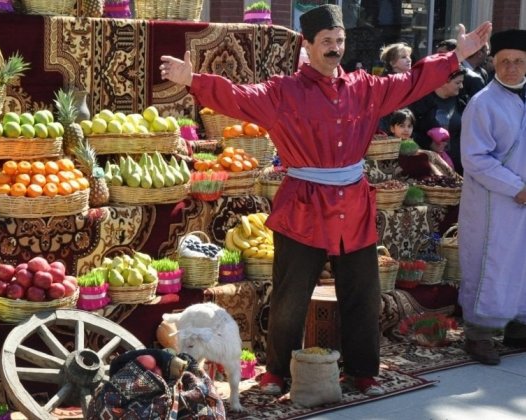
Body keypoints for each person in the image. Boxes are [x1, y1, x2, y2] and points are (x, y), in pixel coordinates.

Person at [159, 4, 491, 397]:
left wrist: (453, 56)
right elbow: (237, 96)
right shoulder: (282, 92)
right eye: (327, 42)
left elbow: (411, 81)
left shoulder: (366, 87)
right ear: (308, 45)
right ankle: (276, 373)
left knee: (363, 295)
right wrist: (193, 79)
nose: (335, 48)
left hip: (353, 205)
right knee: (289, 297)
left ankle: (363, 372)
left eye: (340, 41)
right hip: (303, 204)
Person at [458, 29, 526, 366]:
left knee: (521, 264)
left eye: (518, 61)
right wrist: (516, 188)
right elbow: (475, 158)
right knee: (491, 264)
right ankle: (479, 335)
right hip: (493, 202)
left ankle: (518, 325)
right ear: (494, 63)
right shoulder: (482, 102)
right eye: (505, 62)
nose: (511, 67)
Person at [409, 69, 467, 173]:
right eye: (458, 83)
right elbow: (407, 131)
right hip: (430, 167)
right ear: (443, 81)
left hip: (457, 167)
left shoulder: (460, 102)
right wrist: (429, 143)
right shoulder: (422, 101)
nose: (461, 86)